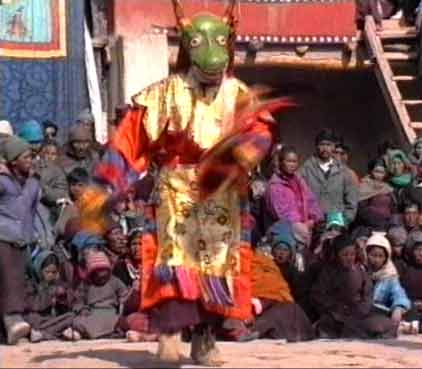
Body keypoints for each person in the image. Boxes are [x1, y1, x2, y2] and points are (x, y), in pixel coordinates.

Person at [93, 2, 288, 364]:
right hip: (177, 187)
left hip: (222, 191)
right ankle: (168, 335)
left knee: (216, 265)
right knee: (176, 259)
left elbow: (261, 128)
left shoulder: (237, 92)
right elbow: (132, 136)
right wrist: (107, 182)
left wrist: (248, 150)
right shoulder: (166, 92)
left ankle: (206, 338)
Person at [310, 234, 397, 339]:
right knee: (330, 325)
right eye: (345, 255)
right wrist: (335, 308)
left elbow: (368, 294)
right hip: (336, 315)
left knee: (385, 323)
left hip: (358, 313)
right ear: (337, 255)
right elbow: (318, 295)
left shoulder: (360, 271)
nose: (349, 258)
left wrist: (362, 309)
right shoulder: (328, 272)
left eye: (352, 254)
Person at [0, 136, 41, 345]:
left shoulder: (33, 183)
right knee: (8, 280)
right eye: (25, 157)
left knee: (20, 281)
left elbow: (32, 212)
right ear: (13, 160)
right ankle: (12, 321)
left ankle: (17, 325)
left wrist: (33, 235)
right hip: (3, 237)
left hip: (22, 238)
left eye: (31, 156)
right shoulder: (2, 180)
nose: (30, 160)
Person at [265, 146, 324, 249]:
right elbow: (282, 212)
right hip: (286, 232)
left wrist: (316, 217)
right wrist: (302, 224)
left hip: (304, 228)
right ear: (281, 162)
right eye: (289, 161)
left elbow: (310, 200)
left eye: (295, 161)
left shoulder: (299, 180)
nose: (292, 165)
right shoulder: (275, 185)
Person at [300, 129, 358, 227]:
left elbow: (352, 202)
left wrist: (343, 221)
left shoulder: (344, 172)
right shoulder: (305, 170)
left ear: (334, 147)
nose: (325, 148)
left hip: (337, 225)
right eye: (322, 144)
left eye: (328, 145)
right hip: (313, 224)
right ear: (316, 146)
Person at [72, 248, 130, 339]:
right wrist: (83, 310)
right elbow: (78, 301)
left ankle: (106, 333)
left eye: (104, 271)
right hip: (91, 313)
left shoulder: (115, 281)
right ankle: (83, 333)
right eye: (98, 271)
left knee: (122, 322)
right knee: (76, 321)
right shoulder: (86, 284)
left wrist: (122, 307)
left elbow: (124, 296)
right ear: (92, 272)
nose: (101, 274)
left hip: (110, 313)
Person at [24, 250, 76, 342]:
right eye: (47, 272)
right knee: (30, 318)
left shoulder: (58, 283)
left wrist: (63, 297)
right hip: (39, 318)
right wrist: (49, 294)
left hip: (53, 319)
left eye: (54, 272)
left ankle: (43, 335)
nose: (50, 275)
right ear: (39, 269)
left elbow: (69, 303)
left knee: (72, 316)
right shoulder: (31, 283)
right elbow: (32, 304)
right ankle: (53, 334)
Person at [365, 233, 412, 331]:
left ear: (386, 258)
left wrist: (398, 308)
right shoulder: (360, 270)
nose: (376, 259)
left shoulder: (390, 276)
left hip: (379, 312)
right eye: (373, 255)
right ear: (366, 254)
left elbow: (399, 294)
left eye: (380, 256)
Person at [357, 158, 395, 230]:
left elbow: (393, 207)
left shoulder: (387, 188)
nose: (379, 175)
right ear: (371, 171)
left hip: (387, 224)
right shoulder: (364, 185)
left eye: (382, 172)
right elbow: (360, 208)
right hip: (368, 225)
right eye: (376, 171)